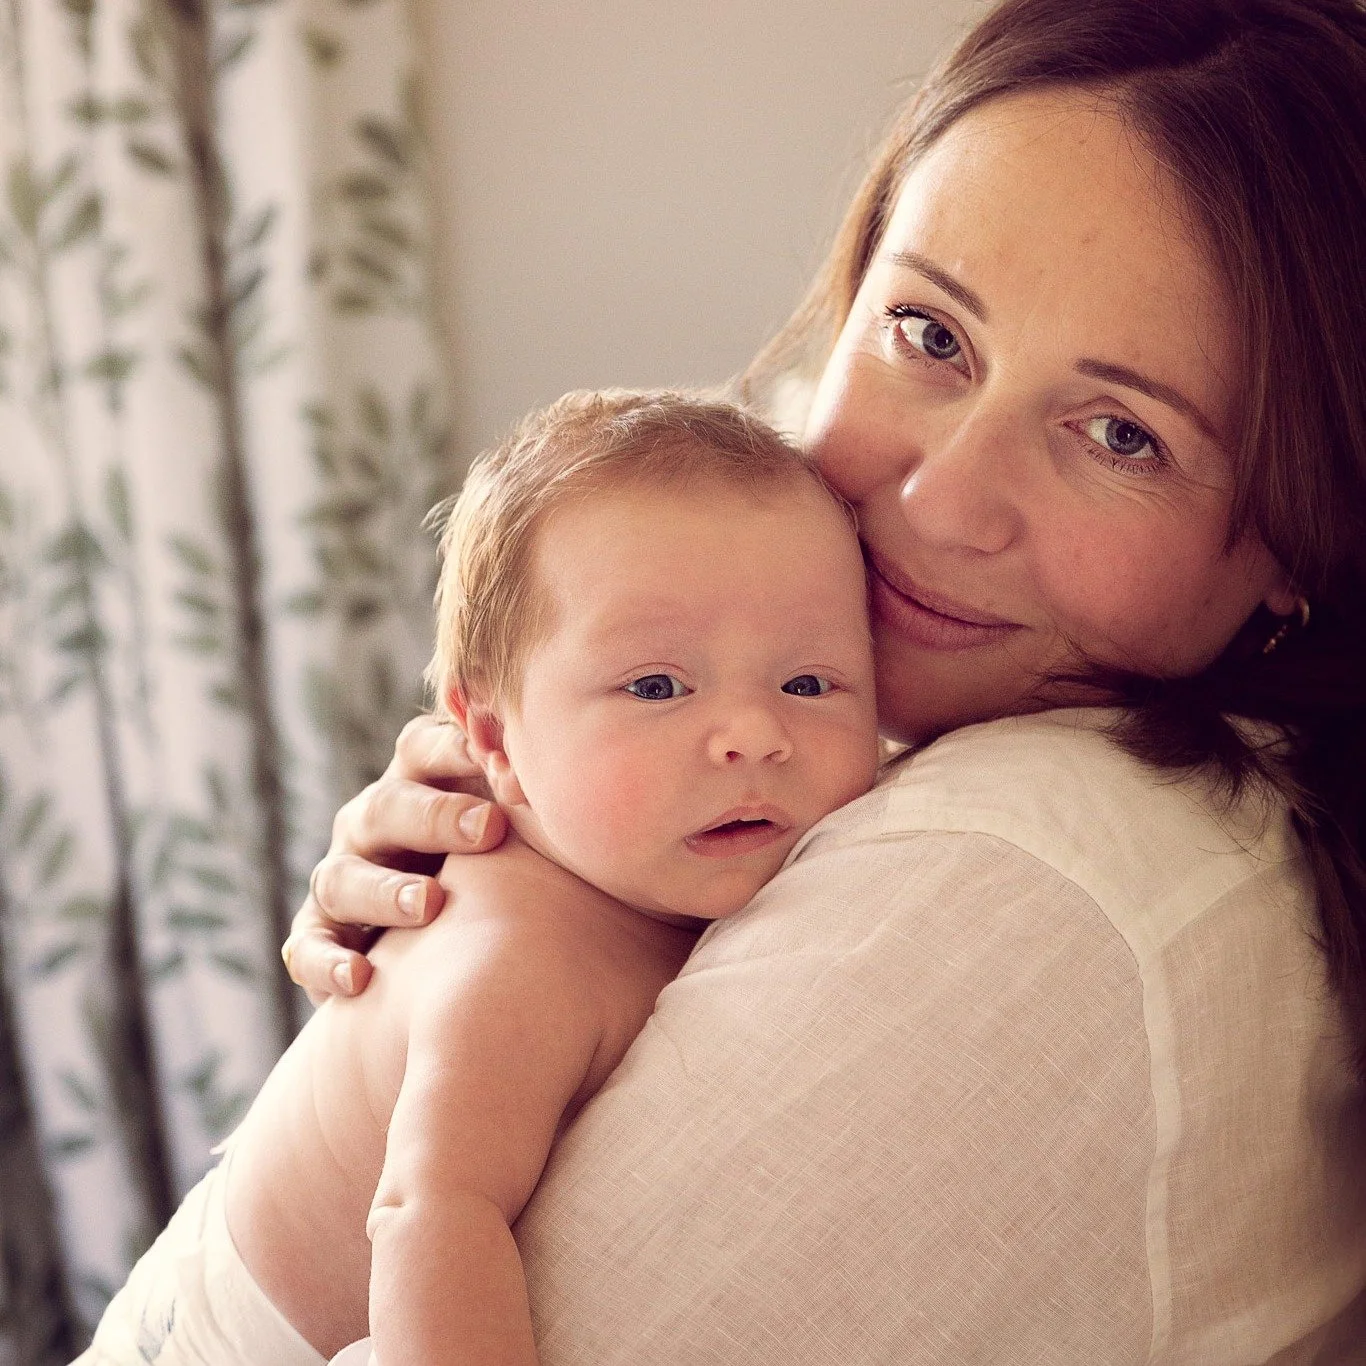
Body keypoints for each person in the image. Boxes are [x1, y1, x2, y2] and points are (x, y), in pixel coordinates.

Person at [286, 0, 1366, 1359]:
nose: (939, 493)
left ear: (1301, 532)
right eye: (927, 335)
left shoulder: (1044, 865)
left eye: (1116, 432)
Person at [73, 392, 880, 1366]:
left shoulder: (657, 863)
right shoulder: (514, 960)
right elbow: (429, 1214)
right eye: (657, 686)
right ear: (493, 739)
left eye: (808, 683)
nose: (754, 732)